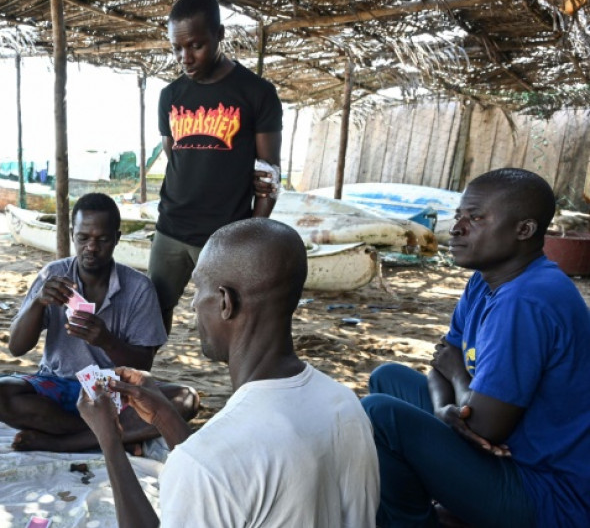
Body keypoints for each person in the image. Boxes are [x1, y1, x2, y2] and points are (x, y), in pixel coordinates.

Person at [78, 218, 380, 527]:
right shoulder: (345, 405)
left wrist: (111, 443)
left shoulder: (207, 463)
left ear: (226, 302)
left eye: (198, 288)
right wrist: (165, 418)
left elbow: (215, 472)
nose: (194, 303)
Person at [361, 168, 590, 528]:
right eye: (459, 216)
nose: (456, 228)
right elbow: (440, 361)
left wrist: (456, 375)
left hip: (547, 495)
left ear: (524, 230)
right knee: (388, 378)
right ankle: (448, 505)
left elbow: (483, 426)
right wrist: (443, 409)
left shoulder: (526, 300)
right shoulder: (486, 281)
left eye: (476, 218)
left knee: (380, 416)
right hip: (503, 452)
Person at [0, 193, 199, 452]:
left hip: (114, 388)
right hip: (58, 385)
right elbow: (16, 347)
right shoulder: (53, 275)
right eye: (83, 238)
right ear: (73, 235)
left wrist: (106, 340)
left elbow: (143, 365)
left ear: (117, 239)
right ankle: (111, 436)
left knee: (186, 399)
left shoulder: (139, 288)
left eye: (102, 239)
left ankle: (65, 442)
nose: (91, 248)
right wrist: (38, 303)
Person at [151, 0, 283, 334]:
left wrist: (249, 236)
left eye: (196, 45)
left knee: (225, 325)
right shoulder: (170, 96)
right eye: (177, 48)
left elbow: (269, 176)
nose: (186, 58)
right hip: (171, 229)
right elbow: (175, 156)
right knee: (152, 314)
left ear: (220, 34)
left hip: (224, 238)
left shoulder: (257, 93)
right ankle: (143, 384)